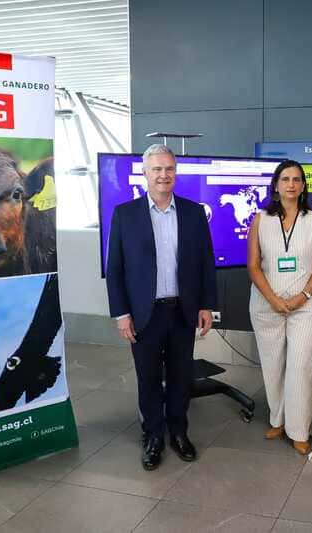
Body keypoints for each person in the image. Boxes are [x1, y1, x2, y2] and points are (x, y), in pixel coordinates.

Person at [106, 144, 216, 471]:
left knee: (182, 377)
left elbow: (205, 263)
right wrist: (121, 314)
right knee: (149, 378)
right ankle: (153, 435)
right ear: (145, 173)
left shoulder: (194, 213)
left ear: (175, 173)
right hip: (145, 314)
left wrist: (206, 305)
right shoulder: (125, 214)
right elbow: (115, 270)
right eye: (157, 169)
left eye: (169, 169)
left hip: (183, 311)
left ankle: (178, 432)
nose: (163, 175)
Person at [248, 160, 312, 455]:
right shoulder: (261, 219)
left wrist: (302, 296)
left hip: (305, 305)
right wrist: (272, 298)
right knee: (272, 365)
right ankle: (278, 419)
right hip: (266, 303)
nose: (291, 185)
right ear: (276, 185)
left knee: (300, 366)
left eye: (296, 179)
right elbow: (253, 266)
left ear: (303, 185)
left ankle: (299, 429)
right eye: (285, 179)